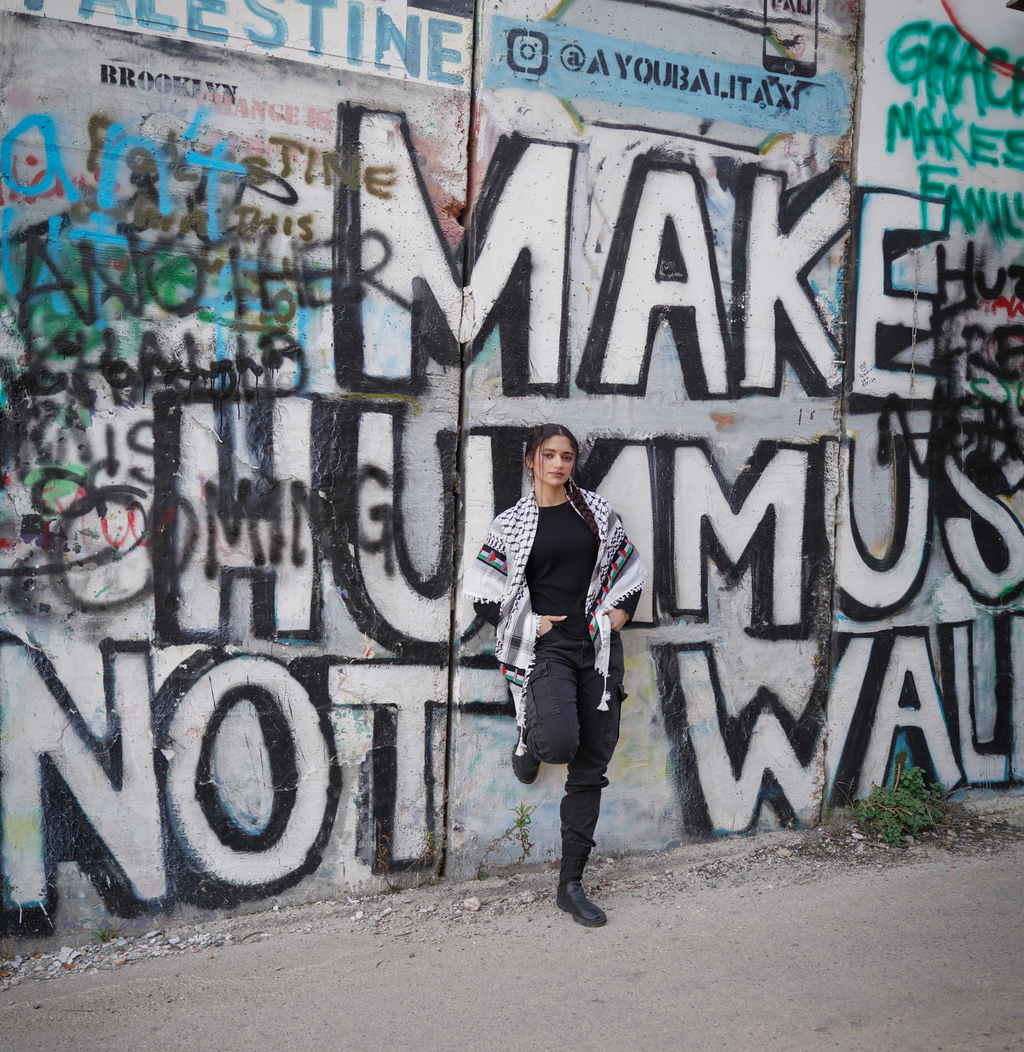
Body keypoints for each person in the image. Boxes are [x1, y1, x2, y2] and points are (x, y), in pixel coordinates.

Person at [464, 423, 646, 927]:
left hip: (598, 647)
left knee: (590, 764)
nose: (559, 465)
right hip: (545, 649)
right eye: (549, 455)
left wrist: (618, 616)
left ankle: (570, 884)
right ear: (531, 460)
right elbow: (483, 590)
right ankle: (530, 739)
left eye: (566, 456)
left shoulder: (594, 514)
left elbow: (628, 569)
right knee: (560, 744)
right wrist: (529, 622)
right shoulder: (512, 523)